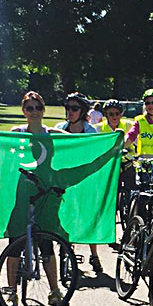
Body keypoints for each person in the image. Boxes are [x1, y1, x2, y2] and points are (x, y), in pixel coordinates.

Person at [5, 92, 63, 306]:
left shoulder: (53, 134)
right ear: (23, 111)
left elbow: (78, 142)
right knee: (15, 243)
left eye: (38, 107)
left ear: (43, 109)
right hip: (21, 193)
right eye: (29, 108)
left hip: (44, 193)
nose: (34, 112)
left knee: (46, 244)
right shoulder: (16, 133)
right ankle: (11, 291)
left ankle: (55, 290)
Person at [55, 92, 103, 276]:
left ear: (82, 111)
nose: (70, 112)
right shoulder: (60, 127)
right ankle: (67, 250)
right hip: (64, 180)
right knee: (65, 217)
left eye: (74, 108)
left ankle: (94, 255)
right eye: (67, 108)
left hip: (84, 180)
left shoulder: (90, 131)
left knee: (87, 216)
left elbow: (94, 154)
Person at [100, 99, 139, 243]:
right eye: (110, 114)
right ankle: (109, 233)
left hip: (127, 165)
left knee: (131, 199)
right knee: (111, 202)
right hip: (110, 169)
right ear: (106, 114)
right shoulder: (99, 128)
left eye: (117, 113)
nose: (114, 116)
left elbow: (135, 137)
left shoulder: (129, 125)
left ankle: (130, 230)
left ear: (121, 113)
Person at [133, 88, 153, 162]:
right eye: (147, 103)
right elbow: (131, 135)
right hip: (143, 163)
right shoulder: (140, 120)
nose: (150, 106)